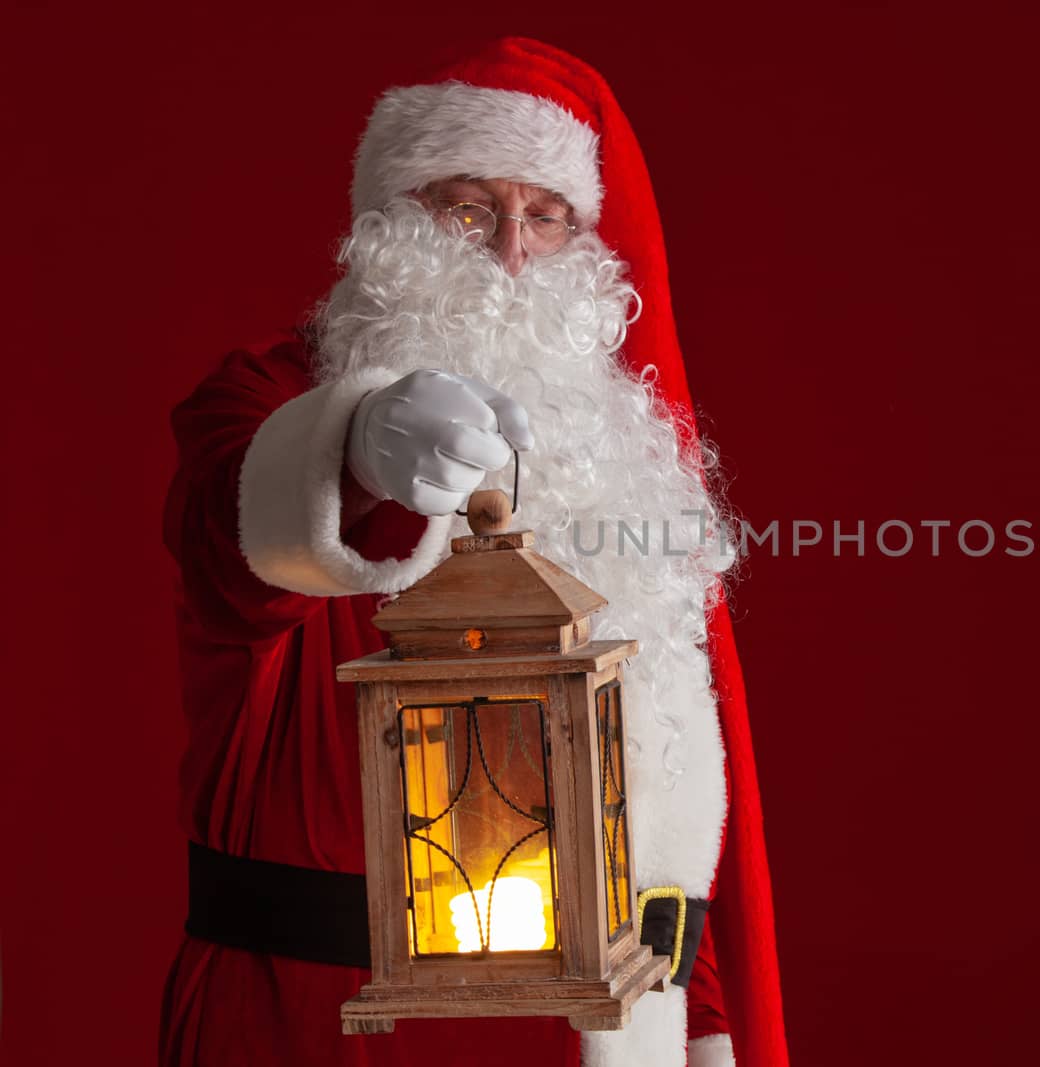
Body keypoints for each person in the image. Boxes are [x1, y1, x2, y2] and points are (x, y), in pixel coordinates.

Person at [159, 37, 785, 1067]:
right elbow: (236, 561)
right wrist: (358, 449)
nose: (508, 253)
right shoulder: (266, 399)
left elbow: (665, 767)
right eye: (466, 207)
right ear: (391, 221)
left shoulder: (617, 442)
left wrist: (698, 1016)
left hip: (599, 1028)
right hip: (329, 1019)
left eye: (546, 216)